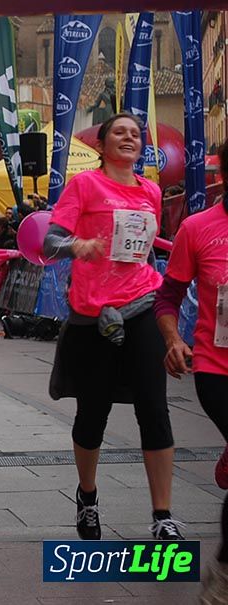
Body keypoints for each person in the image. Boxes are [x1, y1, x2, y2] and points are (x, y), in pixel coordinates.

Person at [43, 112, 183, 541]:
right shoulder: (84, 185)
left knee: (154, 409)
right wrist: (77, 245)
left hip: (142, 304)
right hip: (94, 316)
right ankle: (87, 497)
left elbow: (145, 253)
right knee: (93, 413)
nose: (129, 138)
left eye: (135, 134)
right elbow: (49, 241)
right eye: (119, 132)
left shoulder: (151, 191)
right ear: (102, 145)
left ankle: (163, 515)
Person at [154, 143, 228, 600]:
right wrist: (173, 340)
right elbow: (168, 297)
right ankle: (222, 577)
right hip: (218, 370)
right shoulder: (198, 229)